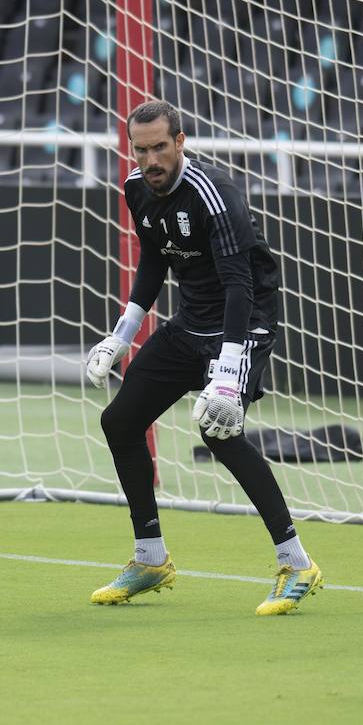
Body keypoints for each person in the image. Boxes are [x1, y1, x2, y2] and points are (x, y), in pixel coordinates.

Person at [84, 100, 322, 616]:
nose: (151, 160)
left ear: (181, 141)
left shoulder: (216, 195)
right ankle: (150, 558)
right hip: (190, 326)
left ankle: (297, 562)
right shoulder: (135, 189)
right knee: (120, 421)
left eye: (160, 147)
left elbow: (240, 286)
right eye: (141, 149)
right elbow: (153, 259)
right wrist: (123, 334)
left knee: (218, 432)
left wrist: (229, 369)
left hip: (244, 326)